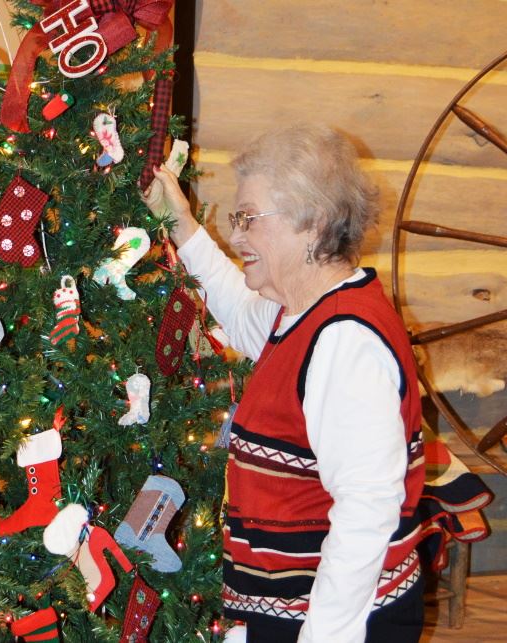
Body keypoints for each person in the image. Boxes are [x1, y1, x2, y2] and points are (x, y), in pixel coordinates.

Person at [144, 124, 424, 642]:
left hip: (335, 620)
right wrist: (180, 224)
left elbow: (367, 512)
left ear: (313, 224)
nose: (238, 235)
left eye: (249, 219)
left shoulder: (345, 341)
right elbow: (235, 303)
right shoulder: (299, 312)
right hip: (291, 609)